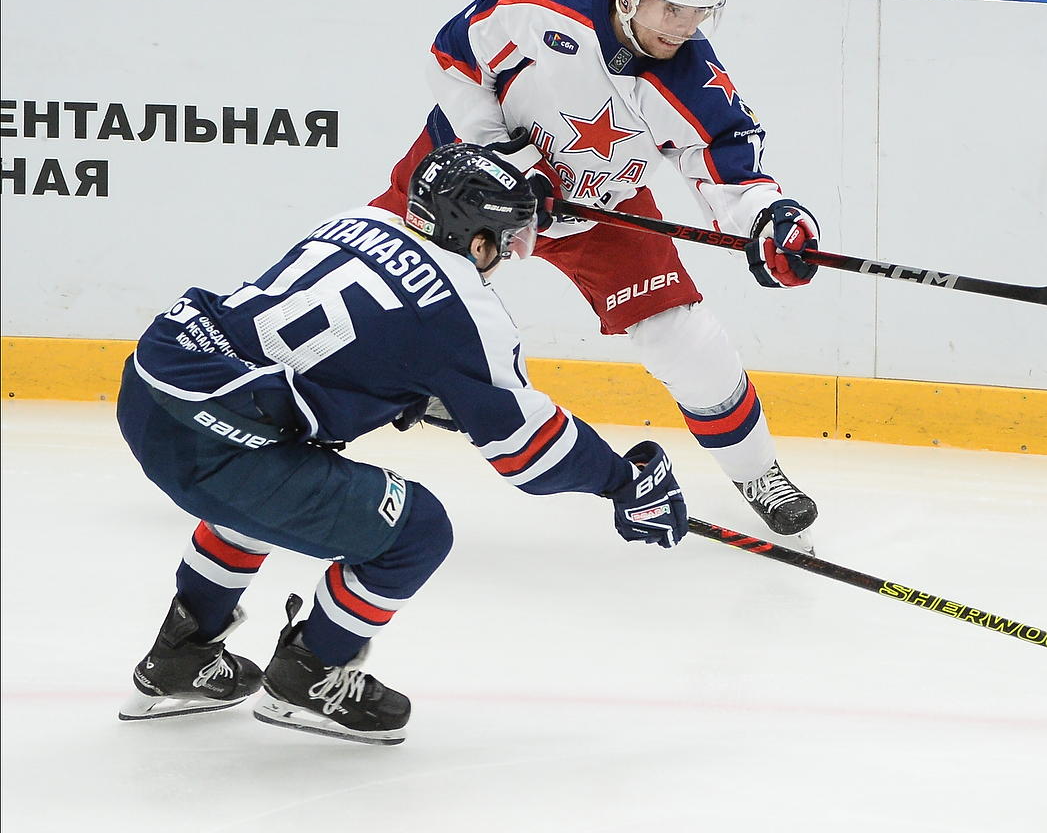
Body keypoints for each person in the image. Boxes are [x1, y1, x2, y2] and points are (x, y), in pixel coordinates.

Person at [115, 143, 689, 746]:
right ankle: (311, 672)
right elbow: (531, 453)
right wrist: (621, 481)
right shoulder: (466, 313)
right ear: (478, 241)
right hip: (222, 446)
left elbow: (340, 340)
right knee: (417, 531)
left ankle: (181, 656)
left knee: (267, 485)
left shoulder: (358, 220)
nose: (508, 255)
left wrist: (404, 390)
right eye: (506, 240)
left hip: (155, 383)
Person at [369, 0, 819, 540]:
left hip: (597, 207)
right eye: (671, 8)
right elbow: (452, 58)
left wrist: (768, 219)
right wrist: (504, 162)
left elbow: (725, 160)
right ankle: (273, 385)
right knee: (368, 275)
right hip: (465, 177)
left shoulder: (690, 76)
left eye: (699, 11)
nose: (683, 27)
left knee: (685, 340)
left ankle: (758, 472)